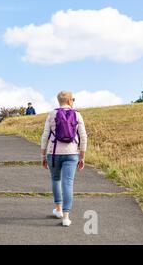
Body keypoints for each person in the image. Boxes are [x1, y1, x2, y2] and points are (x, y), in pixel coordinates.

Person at [40, 91, 87, 227]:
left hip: (53, 153)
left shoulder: (52, 114)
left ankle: (59, 210)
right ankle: (66, 217)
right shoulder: (77, 114)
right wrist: (82, 157)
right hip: (72, 153)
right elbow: (83, 137)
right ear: (70, 100)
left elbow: (45, 136)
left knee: (56, 179)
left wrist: (43, 155)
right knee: (68, 183)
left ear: (59, 100)